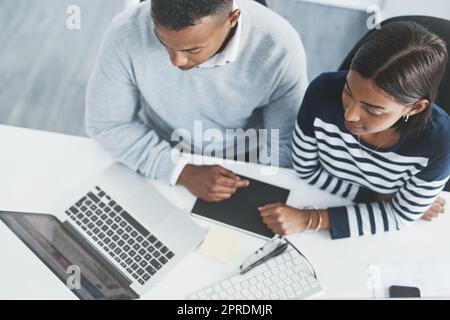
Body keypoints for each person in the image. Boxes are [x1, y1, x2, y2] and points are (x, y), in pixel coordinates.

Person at [85, 0, 308, 202]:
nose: (176, 61)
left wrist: (256, 193)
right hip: (160, 147)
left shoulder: (280, 48)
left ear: (232, 19)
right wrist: (181, 170)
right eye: (163, 42)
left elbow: (283, 142)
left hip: (244, 162)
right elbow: (107, 124)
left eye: (193, 49)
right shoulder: (126, 32)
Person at [259, 21, 450, 239]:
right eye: (348, 90)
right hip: (317, 194)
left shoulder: (440, 143)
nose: (349, 115)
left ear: (415, 107)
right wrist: (378, 198)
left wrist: (311, 219)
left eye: (373, 109)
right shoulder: (322, 92)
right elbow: (306, 170)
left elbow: (399, 217)